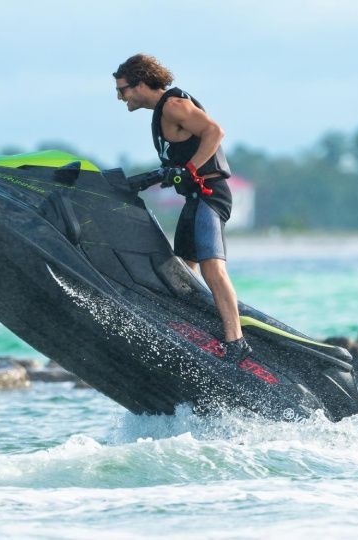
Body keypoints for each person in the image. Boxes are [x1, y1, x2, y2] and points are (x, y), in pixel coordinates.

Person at [113, 53, 252, 363]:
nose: (120, 98)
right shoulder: (160, 114)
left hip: (210, 194)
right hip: (193, 199)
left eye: (122, 90)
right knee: (182, 270)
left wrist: (189, 168)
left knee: (211, 267)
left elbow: (215, 132)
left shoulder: (174, 105)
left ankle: (236, 342)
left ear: (140, 84)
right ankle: (185, 328)